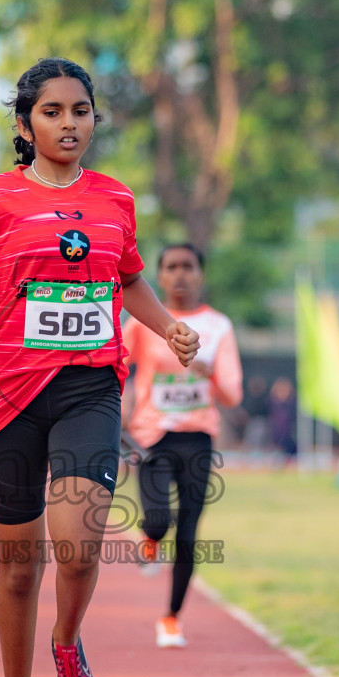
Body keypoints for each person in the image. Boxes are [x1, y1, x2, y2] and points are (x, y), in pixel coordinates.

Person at [0, 57, 199, 677]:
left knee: (77, 549)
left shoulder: (116, 199)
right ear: (24, 124)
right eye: (52, 112)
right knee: (18, 568)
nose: (69, 123)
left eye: (81, 111)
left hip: (87, 388)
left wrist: (168, 329)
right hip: (8, 397)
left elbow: (128, 276)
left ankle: (67, 643)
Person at [123, 243, 242, 649]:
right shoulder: (144, 321)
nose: (180, 275)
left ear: (200, 274)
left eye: (188, 267)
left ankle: (171, 617)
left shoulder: (218, 327)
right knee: (158, 519)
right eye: (171, 267)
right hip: (152, 435)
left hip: (197, 439)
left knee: (189, 536)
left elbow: (233, 395)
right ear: (158, 275)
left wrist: (207, 372)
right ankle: (151, 537)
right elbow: (116, 362)